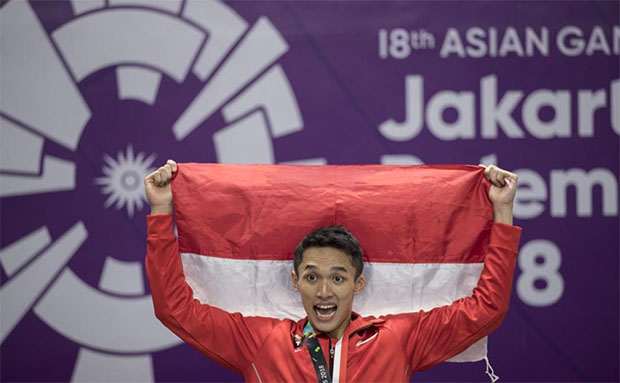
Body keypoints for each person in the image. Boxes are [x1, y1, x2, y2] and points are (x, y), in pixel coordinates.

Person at [144, 160, 521, 382]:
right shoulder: (261, 342)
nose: (324, 291)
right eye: (312, 277)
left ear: (358, 283)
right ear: (295, 282)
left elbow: (485, 309)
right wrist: (161, 211)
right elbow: (175, 310)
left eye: (338, 278)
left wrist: (502, 211)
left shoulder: (397, 339)